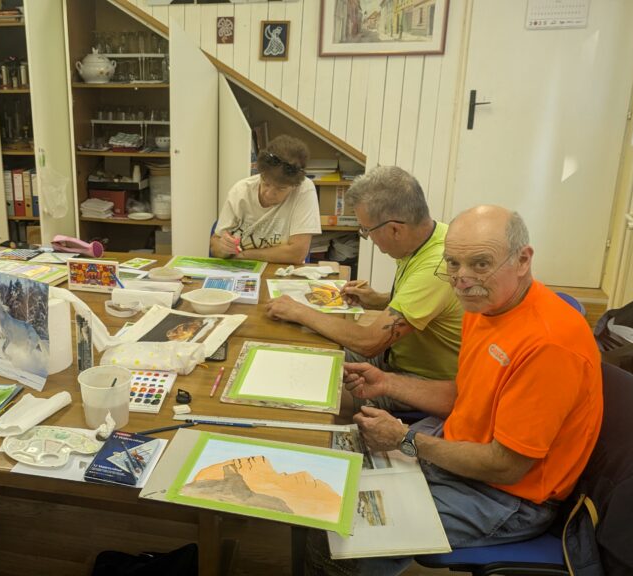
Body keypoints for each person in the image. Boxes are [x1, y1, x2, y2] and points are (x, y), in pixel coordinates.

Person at [305, 206, 604, 575]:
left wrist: (405, 440)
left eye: (480, 264)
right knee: (326, 474)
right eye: (453, 264)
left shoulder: (549, 345)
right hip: (460, 450)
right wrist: (387, 382)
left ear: (523, 260)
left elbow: (507, 465)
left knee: (340, 530)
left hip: (508, 497)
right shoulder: (485, 305)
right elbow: (467, 395)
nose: (462, 280)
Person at [266, 166, 463, 396]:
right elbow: (424, 307)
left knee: (308, 392)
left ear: (395, 230)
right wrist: (378, 300)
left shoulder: (436, 267)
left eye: (366, 230)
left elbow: (369, 343)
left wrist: (298, 311)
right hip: (395, 355)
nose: (368, 237)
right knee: (302, 352)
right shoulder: (429, 236)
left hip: (423, 382)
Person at [210, 135, 321, 264]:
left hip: (279, 271)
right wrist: (223, 248)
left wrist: (244, 255)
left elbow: (297, 253)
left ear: (294, 186)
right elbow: (215, 247)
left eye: (280, 188)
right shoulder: (240, 191)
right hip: (239, 270)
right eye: (266, 183)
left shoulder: (304, 190)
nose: (268, 194)